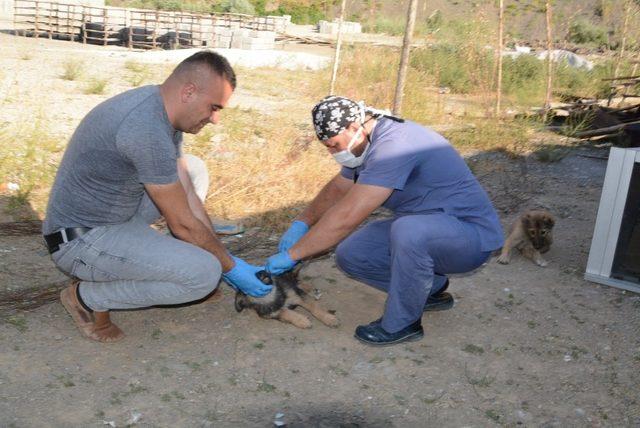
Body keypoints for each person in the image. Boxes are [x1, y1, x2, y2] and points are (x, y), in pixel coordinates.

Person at [43, 51, 272, 343]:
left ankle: (173, 258)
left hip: (113, 213)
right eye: (214, 107)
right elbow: (184, 224)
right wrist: (229, 267)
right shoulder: (145, 129)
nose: (215, 119)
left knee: (194, 171)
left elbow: (187, 194)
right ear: (188, 91)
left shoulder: (162, 110)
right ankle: (86, 297)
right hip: (81, 240)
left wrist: (219, 254)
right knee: (204, 275)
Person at [265, 96, 504, 346]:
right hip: (429, 228)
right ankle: (429, 289)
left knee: (409, 231)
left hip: (471, 238)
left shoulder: (395, 145)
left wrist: (294, 254)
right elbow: (338, 189)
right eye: (327, 147)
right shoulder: (364, 146)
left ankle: (403, 324)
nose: (332, 153)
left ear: (354, 128)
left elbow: (347, 215)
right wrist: (302, 222)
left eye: (334, 145)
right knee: (352, 253)